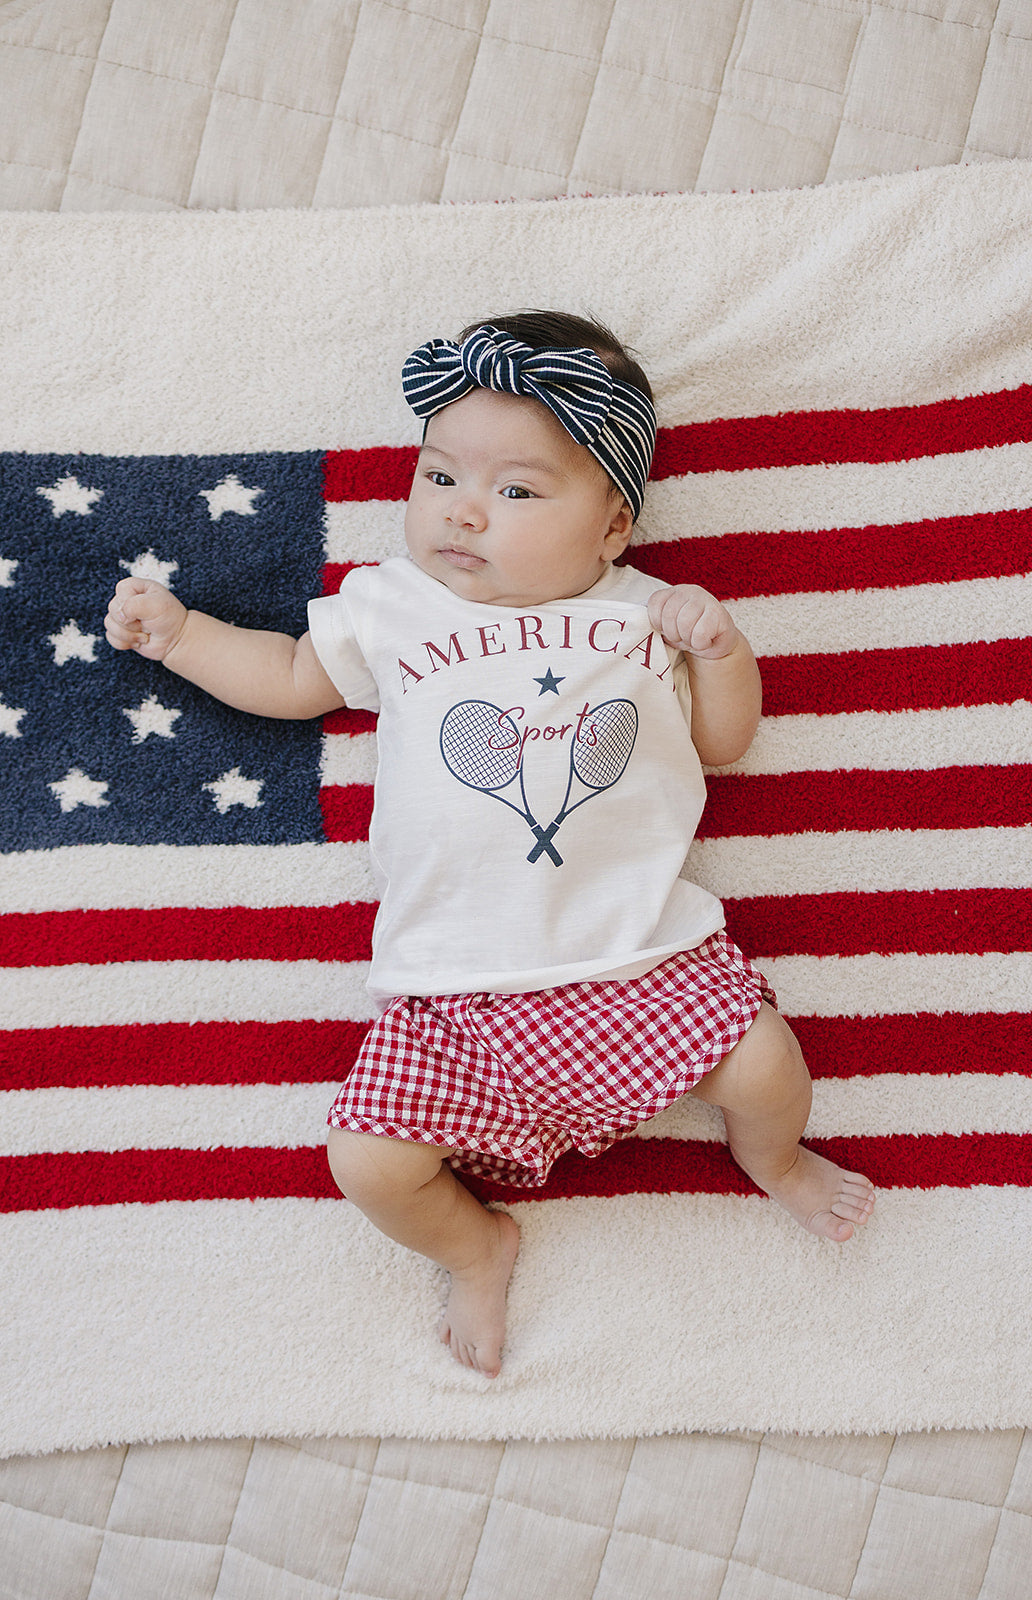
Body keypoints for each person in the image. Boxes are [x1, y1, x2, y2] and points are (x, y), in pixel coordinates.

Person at [105, 312, 874, 1378]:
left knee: (764, 1064)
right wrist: (185, 637)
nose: (462, 511)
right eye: (437, 476)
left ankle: (775, 1162)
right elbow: (289, 678)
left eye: (516, 491)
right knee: (370, 1163)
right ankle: (477, 1248)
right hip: (453, 992)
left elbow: (720, 742)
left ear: (612, 524)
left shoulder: (645, 613)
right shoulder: (394, 604)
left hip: (643, 962)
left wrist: (724, 649)